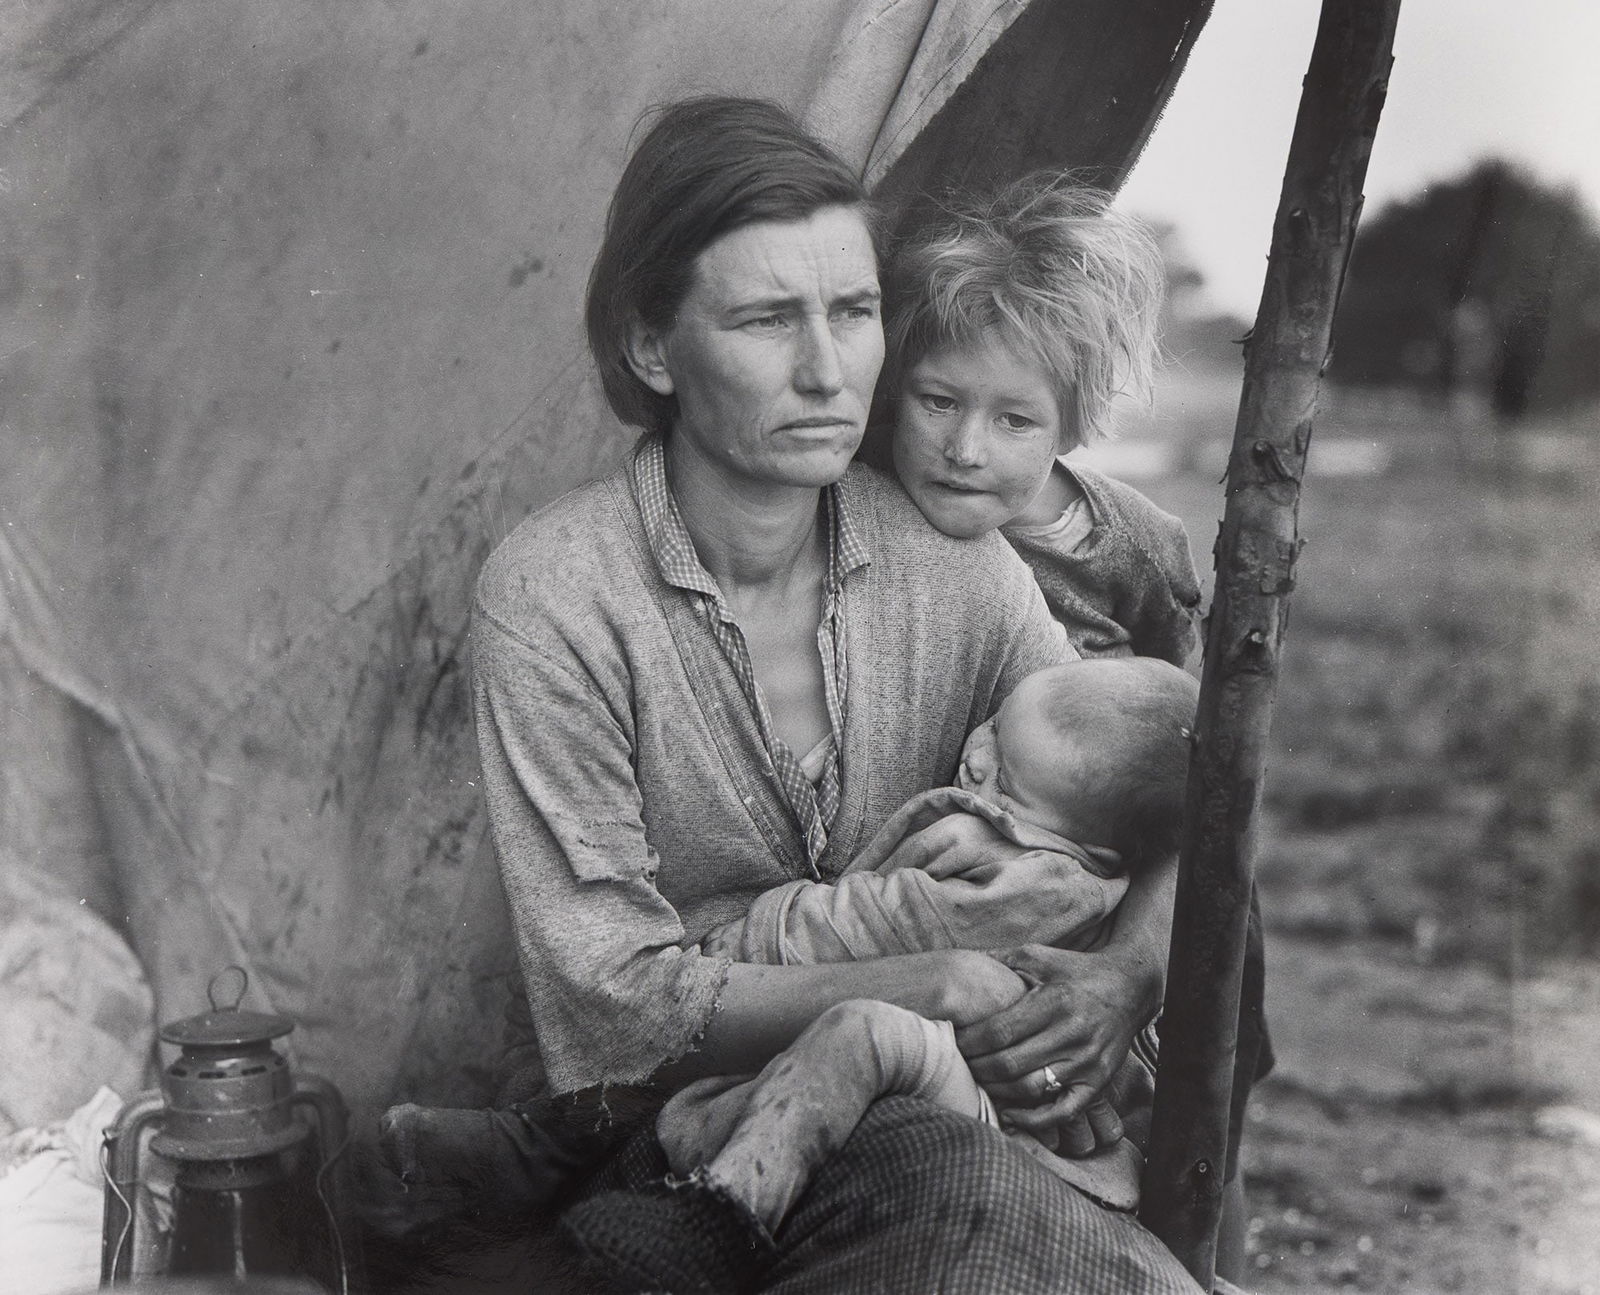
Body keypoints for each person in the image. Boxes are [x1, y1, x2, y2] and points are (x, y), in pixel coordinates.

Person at [468, 96, 1200, 1292]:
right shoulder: (557, 595)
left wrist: (1124, 975)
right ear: (655, 348)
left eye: (853, 312)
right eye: (767, 319)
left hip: (944, 1101)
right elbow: (609, 1002)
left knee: (988, 1174)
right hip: (695, 1126)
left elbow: (1133, 798)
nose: (826, 370)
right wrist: (922, 979)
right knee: (954, 1192)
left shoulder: (954, 561)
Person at [879, 170, 1272, 1276]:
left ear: (1075, 418)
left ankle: (1206, 1264)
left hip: (1123, 876)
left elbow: (1198, 781)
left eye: (1013, 419)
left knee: (1203, 1079)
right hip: (986, 864)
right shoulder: (870, 510)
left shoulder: (1133, 549)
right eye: (936, 401)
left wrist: (1132, 973)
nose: (963, 448)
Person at [560, 658, 1199, 1293]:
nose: (977, 760)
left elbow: (873, 925)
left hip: (1006, 1113)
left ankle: (722, 1217)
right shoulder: (1076, 824)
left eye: (1005, 782)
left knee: (861, 1036)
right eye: (993, 726)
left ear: (1099, 848)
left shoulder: (1032, 882)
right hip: (1041, 1111)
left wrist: (749, 939)